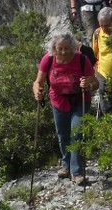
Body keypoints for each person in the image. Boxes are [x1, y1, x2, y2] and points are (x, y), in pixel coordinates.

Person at [33, 31, 98, 185]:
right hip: (58, 100)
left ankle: (76, 172)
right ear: (54, 48)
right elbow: (38, 82)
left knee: (76, 133)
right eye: (59, 48)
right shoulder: (48, 60)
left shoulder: (82, 59)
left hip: (80, 100)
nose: (63, 51)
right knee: (62, 134)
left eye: (66, 48)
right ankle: (65, 165)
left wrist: (88, 84)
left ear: (72, 47)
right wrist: (37, 92)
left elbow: (96, 83)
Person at [92, 6, 112, 115]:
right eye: (101, 25)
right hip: (104, 75)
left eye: (107, 25)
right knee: (107, 107)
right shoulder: (97, 33)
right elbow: (95, 53)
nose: (104, 28)